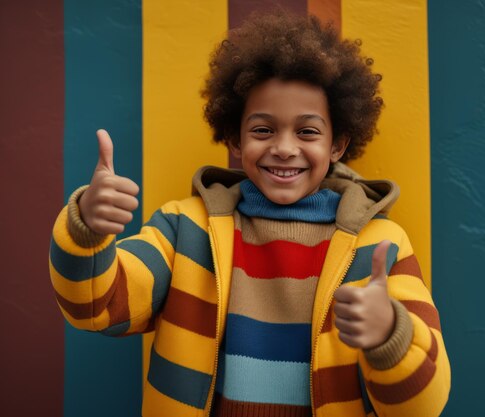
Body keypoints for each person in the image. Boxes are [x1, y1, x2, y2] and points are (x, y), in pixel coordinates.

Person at [49, 10, 450, 417]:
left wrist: (389, 335)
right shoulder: (184, 229)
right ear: (235, 138)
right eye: (263, 130)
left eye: (307, 131)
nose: (284, 148)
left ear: (338, 144)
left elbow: (424, 407)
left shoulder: (380, 246)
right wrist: (87, 229)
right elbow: (98, 309)